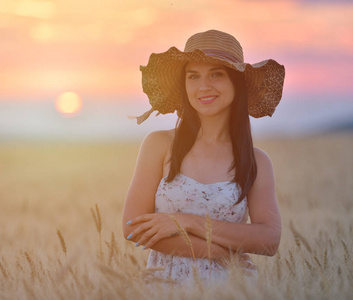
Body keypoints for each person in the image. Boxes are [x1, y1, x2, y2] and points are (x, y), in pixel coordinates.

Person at [122, 29, 284, 284]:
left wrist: (186, 222)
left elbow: (269, 240)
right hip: (166, 289)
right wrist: (220, 252)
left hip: (233, 290)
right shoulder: (159, 145)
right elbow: (132, 228)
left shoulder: (256, 161)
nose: (203, 87)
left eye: (216, 75)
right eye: (193, 76)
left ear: (236, 82)